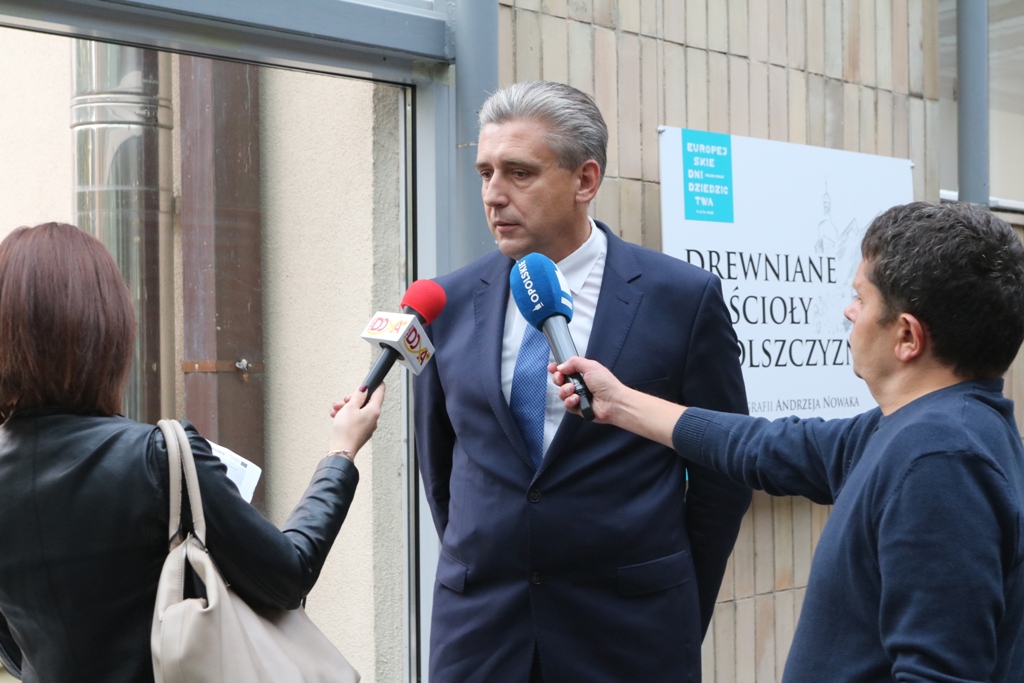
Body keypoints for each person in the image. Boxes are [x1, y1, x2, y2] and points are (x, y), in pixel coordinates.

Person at [552, 201, 1024, 682]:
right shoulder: (922, 429)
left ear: (907, 336)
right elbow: (763, 447)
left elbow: (939, 673)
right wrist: (619, 403)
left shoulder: (940, 460)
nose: (849, 311)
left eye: (861, 298)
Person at [414, 80, 751, 682]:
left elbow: (722, 474)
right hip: (481, 638)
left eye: (519, 173)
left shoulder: (681, 299)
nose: (493, 195)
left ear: (585, 180)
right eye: (485, 172)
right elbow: (439, 466)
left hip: (630, 636)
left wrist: (673, 605)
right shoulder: (449, 301)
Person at [0, 222, 385, 683]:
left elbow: (13, 650)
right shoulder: (158, 456)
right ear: (105, 330)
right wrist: (341, 453)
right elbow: (288, 575)